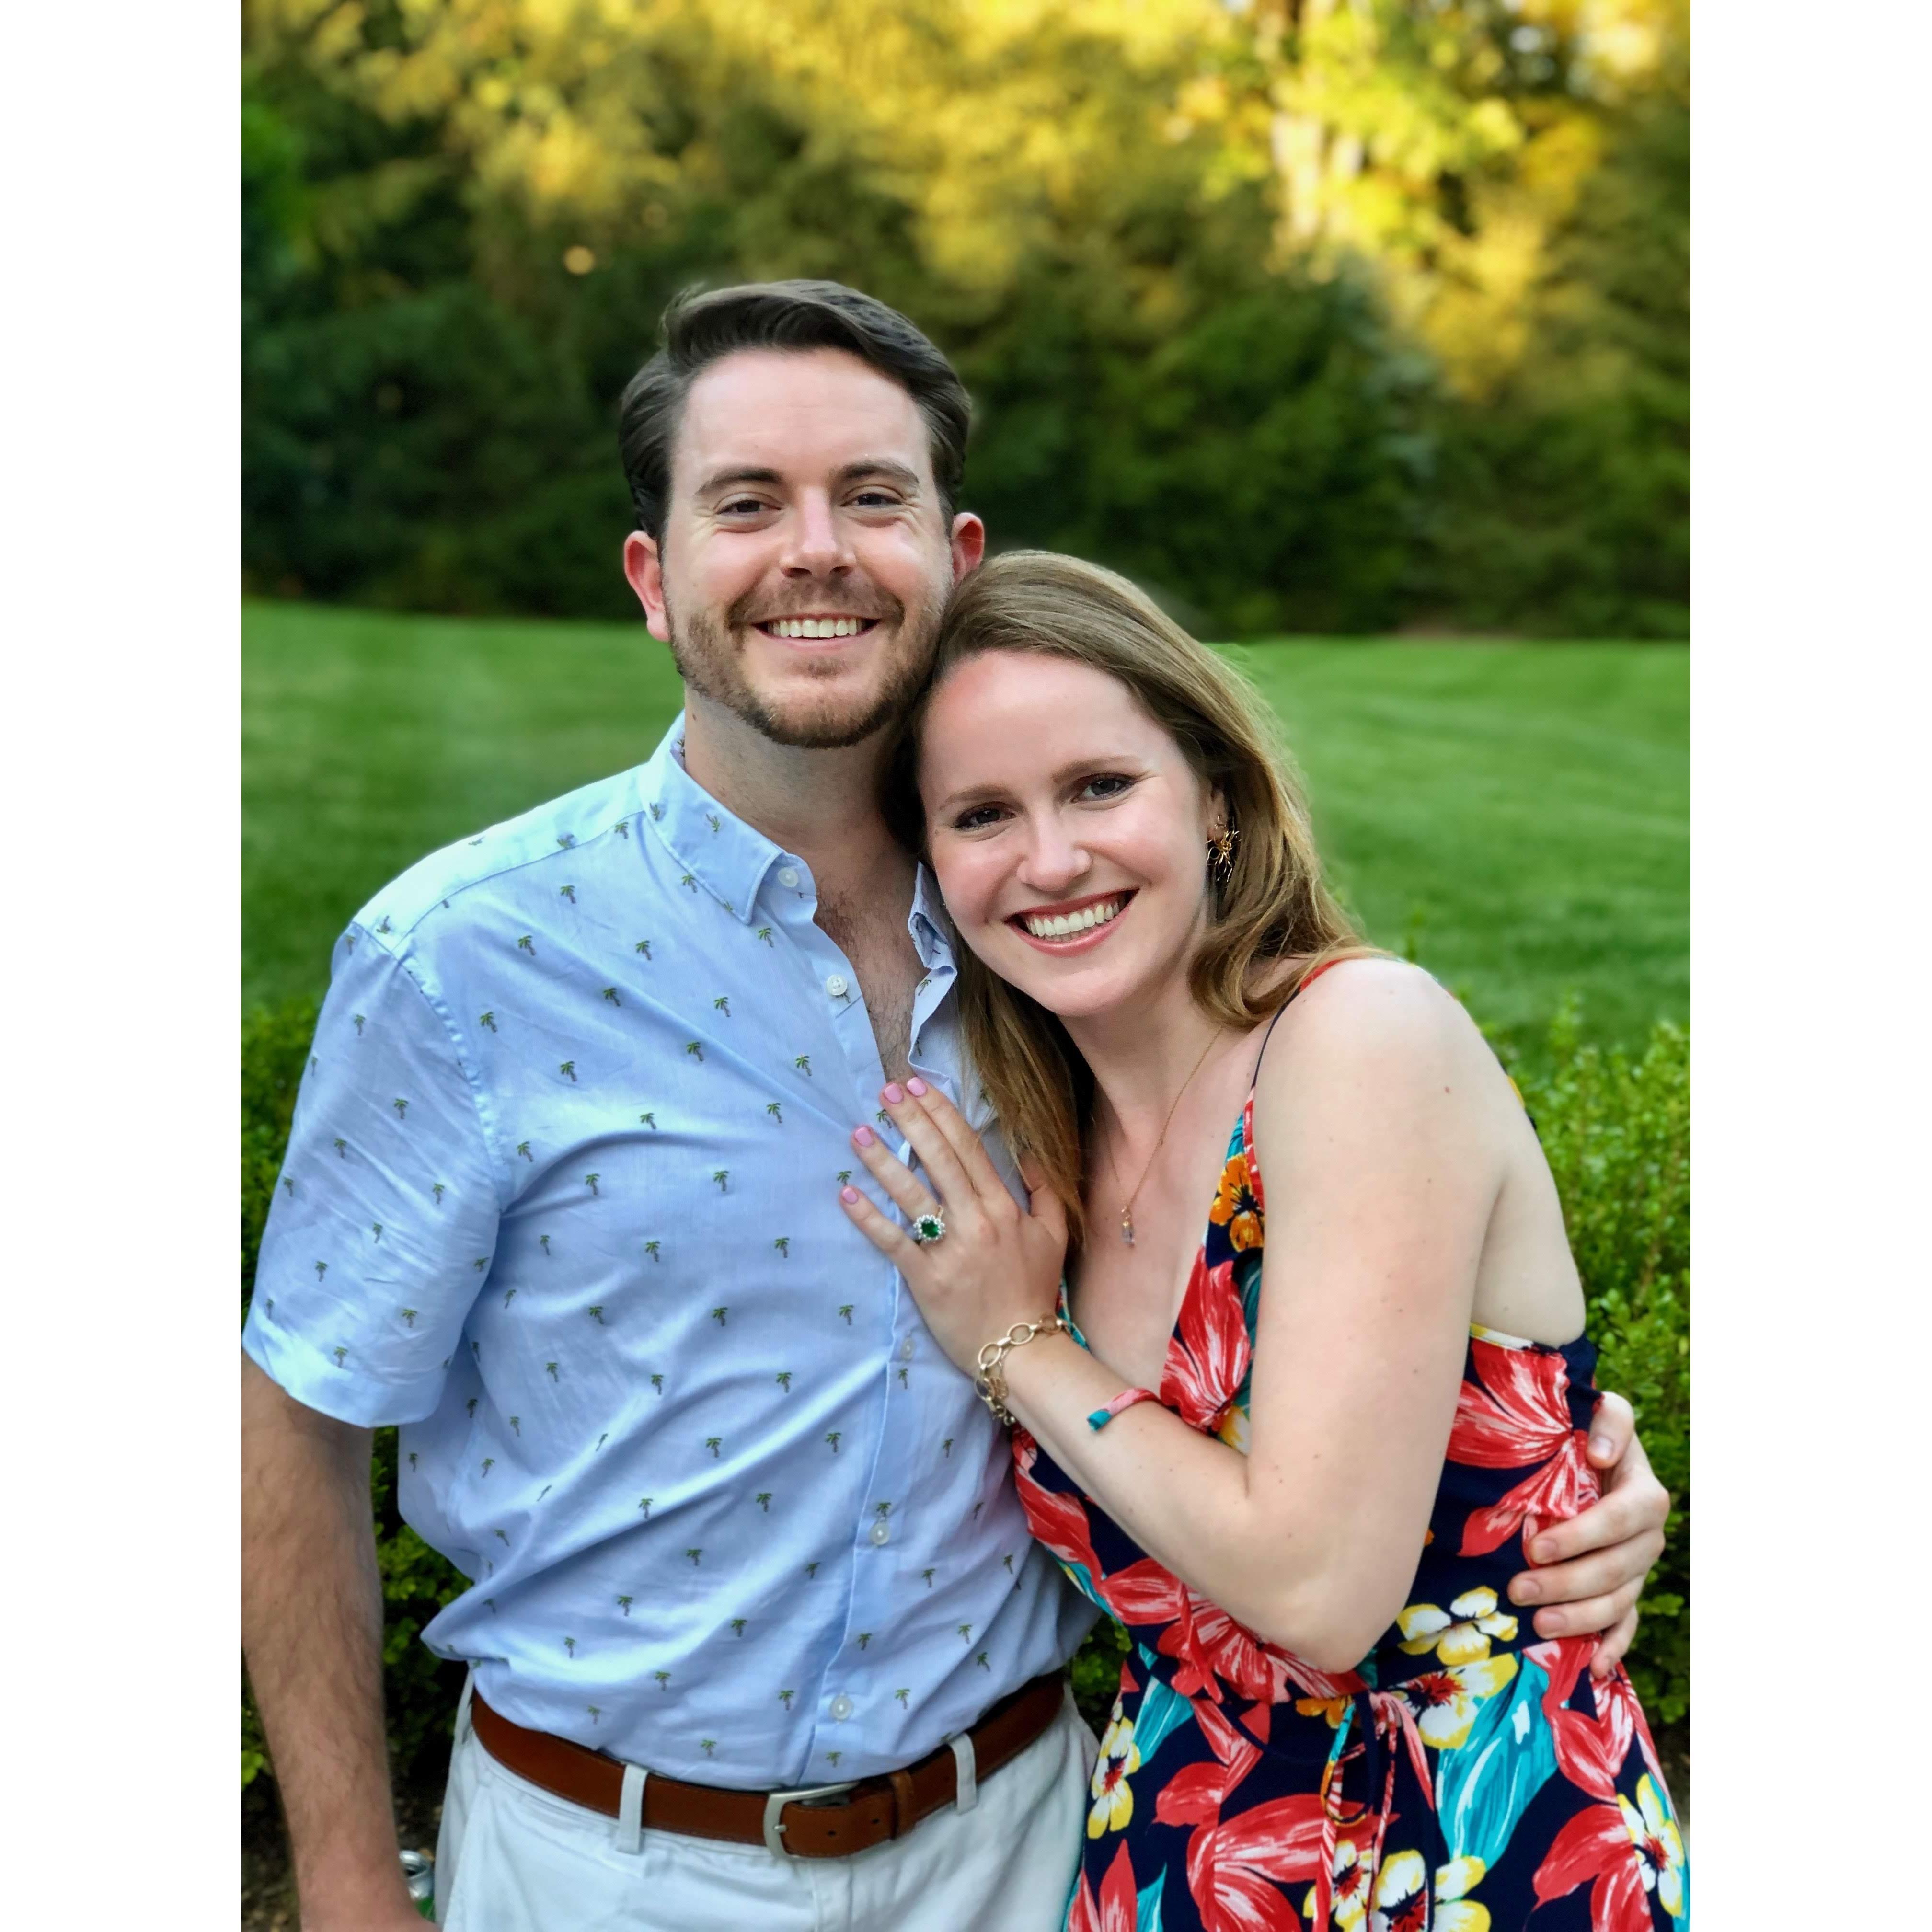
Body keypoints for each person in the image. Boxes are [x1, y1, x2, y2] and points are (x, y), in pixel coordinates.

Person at [241, 282, 1672, 1932]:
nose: (815, 552)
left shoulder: (1049, 970)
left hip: (1027, 1843)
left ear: (954, 551)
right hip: (609, 1866)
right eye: (745, 503)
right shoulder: (464, 961)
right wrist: (348, 1884)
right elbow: (299, 1408)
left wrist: (1546, 1480)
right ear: (651, 576)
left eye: (872, 495)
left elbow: (1330, 1352)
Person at [840, 550, 1686, 1930]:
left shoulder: (1357, 1043)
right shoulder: (1038, 1156)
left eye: (1100, 786)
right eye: (983, 814)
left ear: (1218, 799)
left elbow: (1320, 1590)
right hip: (1178, 1855)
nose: (1050, 860)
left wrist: (1018, 1345)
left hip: (1475, 1857)